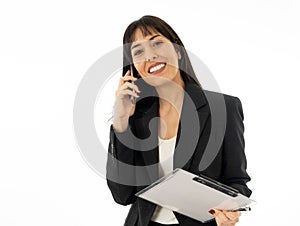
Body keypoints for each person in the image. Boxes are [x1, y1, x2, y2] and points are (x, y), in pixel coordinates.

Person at [106, 15, 252, 226]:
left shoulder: (223, 109)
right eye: (138, 51)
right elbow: (122, 195)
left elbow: (237, 181)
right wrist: (121, 122)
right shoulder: (136, 117)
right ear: (133, 68)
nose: (150, 55)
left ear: (178, 51)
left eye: (156, 43)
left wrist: (228, 209)